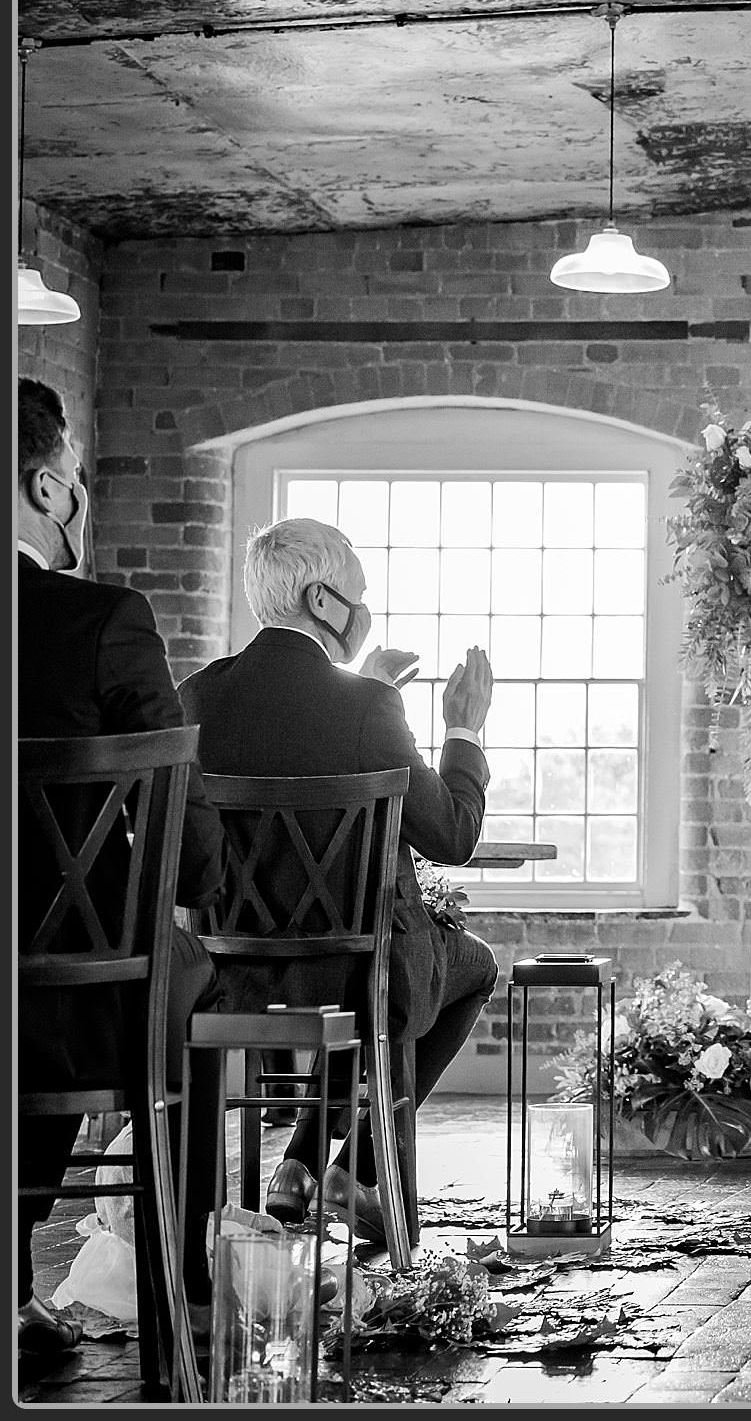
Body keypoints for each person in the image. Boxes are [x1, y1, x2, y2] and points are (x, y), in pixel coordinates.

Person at [178, 517, 499, 1251]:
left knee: (362, 973)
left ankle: (299, 1165)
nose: (365, 611)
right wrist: (464, 730)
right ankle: (356, 1168)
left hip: (228, 971)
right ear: (323, 602)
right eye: (359, 595)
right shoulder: (366, 705)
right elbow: (451, 833)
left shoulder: (195, 696)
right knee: (467, 967)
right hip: (361, 971)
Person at [15, 378, 224, 1356]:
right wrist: (198, 888)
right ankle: (179, 1281)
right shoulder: (103, 620)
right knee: (184, 971)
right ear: (50, 487)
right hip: (73, 1000)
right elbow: (180, 835)